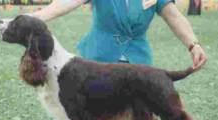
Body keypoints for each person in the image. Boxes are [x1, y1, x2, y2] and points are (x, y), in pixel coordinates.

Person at [30, 0, 207, 69]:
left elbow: (174, 16)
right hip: (99, 56)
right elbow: (65, 3)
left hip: (138, 59)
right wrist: (35, 18)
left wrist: (193, 44)